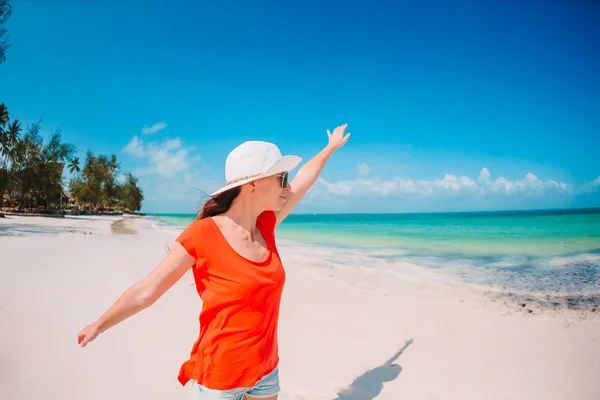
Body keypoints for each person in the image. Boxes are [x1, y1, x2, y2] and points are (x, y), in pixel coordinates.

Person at [77, 124, 351, 400]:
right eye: (282, 177)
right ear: (253, 183)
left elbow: (305, 180)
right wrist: (98, 325)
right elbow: (148, 290)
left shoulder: (265, 224)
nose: (288, 185)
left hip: (266, 372)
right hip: (220, 379)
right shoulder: (203, 234)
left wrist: (329, 148)